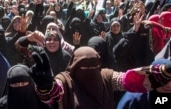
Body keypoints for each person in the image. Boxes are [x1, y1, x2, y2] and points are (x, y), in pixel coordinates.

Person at [29, 46, 171, 109]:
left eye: (94, 67)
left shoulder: (106, 77)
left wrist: (163, 72)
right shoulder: (65, 81)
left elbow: (130, 79)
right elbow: (53, 94)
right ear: (73, 66)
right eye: (83, 68)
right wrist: (45, 86)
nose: (90, 73)